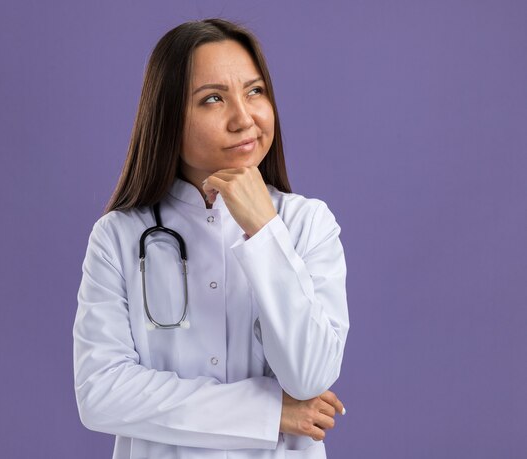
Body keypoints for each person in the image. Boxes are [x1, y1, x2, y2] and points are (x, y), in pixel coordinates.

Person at [73, 18, 350, 458]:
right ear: (167, 118)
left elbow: (310, 376)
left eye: (255, 91)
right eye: (213, 99)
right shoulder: (119, 237)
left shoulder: (307, 224)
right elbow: (101, 393)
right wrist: (269, 411)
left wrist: (264, 231)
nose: (244, 118)